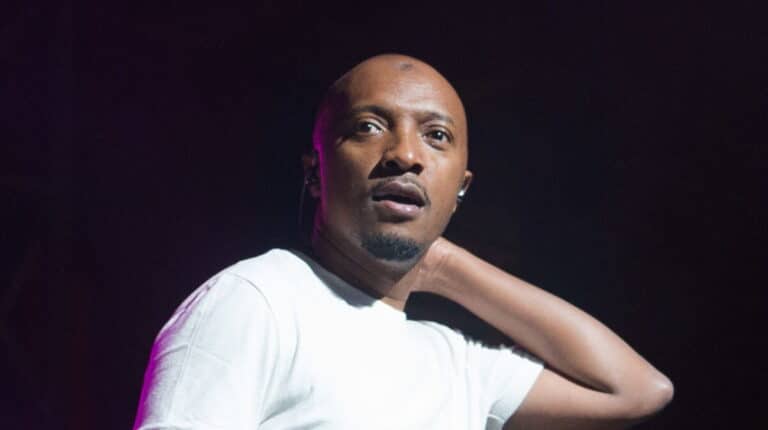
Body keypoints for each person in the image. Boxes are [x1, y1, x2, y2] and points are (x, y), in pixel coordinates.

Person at [133, 54, 673, 429]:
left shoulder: (455, 363)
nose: (406, 155)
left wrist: (442, 263)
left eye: (436, 136)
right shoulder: (257, 299)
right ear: (315, 172)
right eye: (369, 126)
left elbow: (636, 391)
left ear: (461, 189)